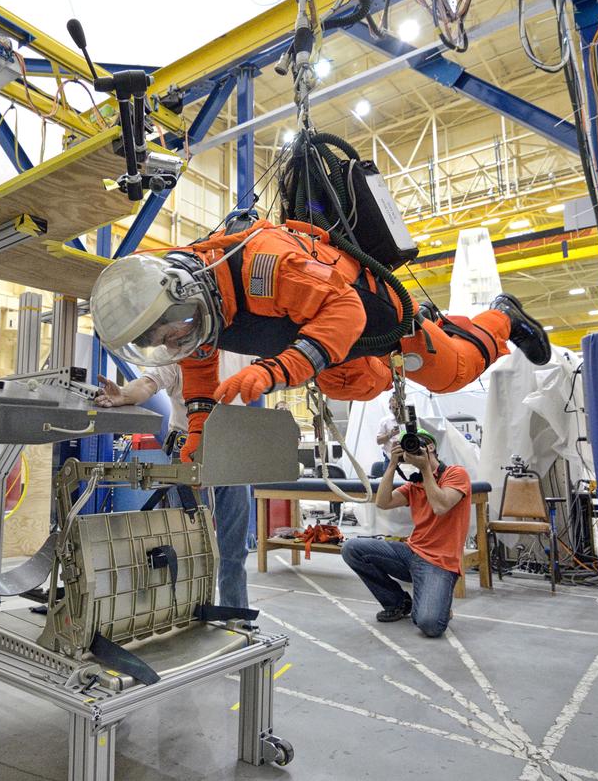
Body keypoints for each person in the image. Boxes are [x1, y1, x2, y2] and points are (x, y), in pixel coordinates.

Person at [89, 216, 550, 463]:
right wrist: (195, 435)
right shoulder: (197, 320)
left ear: (182, 295)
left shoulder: (265, 265)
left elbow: (345, 310)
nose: (176, 343)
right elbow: (200, 377)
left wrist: (274, 370)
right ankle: (444, 324)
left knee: (452, 373)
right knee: (351, 385)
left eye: (173, 333)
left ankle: (501, 318)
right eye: (167, 341)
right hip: (333, 351)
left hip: (371, 324)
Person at [94, 354, 255, 610]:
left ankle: (235, 615)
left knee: (235, 549)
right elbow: (148, 383)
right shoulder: (178, 349)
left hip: (232, 451)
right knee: (185, 545)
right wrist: (124, 394)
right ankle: (183, 616)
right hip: (188, 454)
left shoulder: (241, 350)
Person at [340, 429, 470, 637]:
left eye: (417, 445)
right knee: (352, 548)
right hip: (411, 552)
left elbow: (440, 506)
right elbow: (382, 502)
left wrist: (426, 469)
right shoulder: (414, 484)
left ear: (431, 447)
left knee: (430, 625)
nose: (412, 450)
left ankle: (437, 601)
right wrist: (392, 464)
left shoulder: (455, 474)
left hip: (439, 562)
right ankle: (398, 603)